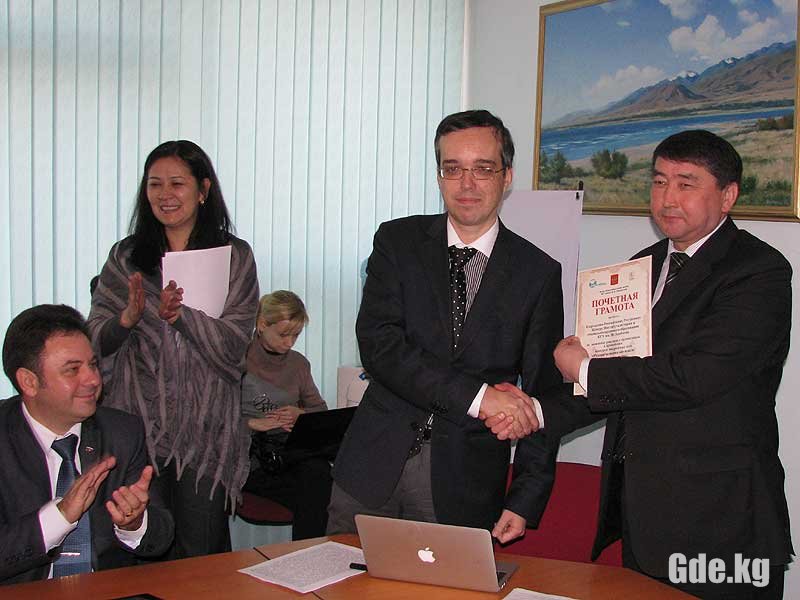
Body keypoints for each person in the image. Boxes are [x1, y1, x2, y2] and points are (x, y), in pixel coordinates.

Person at [489, 129, 793, 598]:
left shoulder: (758, 271)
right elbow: (619, 382)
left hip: (724, 523)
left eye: (686, 184)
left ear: (727, 195)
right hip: (644, 519)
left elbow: (693, 377)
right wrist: (536, 410)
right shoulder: (641, 267)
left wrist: (583, 369)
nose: (668, 198)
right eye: (658, 181)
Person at [327, 109, 564, 542]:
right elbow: (380, 348)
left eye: (483, 169)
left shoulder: (538, 273)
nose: (466, 184)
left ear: (507, 177)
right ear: (439, 177)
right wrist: (480, 398)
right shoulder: (397, 243)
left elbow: (542, 394)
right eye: (452, 169)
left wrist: (525, 496)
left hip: (464, 485)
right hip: (370, 470)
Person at [87, 140, 259, 558]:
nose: (165, 194)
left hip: (207, 433)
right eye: (155, 184)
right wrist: (125, 321)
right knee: (140, 548)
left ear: (203, 190)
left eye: (177, 183)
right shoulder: (126, 256)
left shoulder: (233, 256)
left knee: (200, 556)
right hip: (137, 427)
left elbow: (236, 345)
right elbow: (93, 338)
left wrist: (182, 317)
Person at [0, 304, 174, 585]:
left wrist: (134, 524)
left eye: (92, 365)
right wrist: (59, 518)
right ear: (29, 382)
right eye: (72, 370)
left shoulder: (122, 432)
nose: (93, 380)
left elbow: (162, 539)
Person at [241, 290, 332, 540]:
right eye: (284, 334)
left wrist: (300, 413)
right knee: (314, 492)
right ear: (262, 324)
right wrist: (252, 423)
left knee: (320, 475)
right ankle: (309, 554)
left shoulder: (298, 364)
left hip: (289, 453)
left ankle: (309, 553)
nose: (290, 343)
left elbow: (320, 412)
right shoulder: (237, 359)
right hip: (250, 458)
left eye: (296, 335)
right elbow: (214, 417)